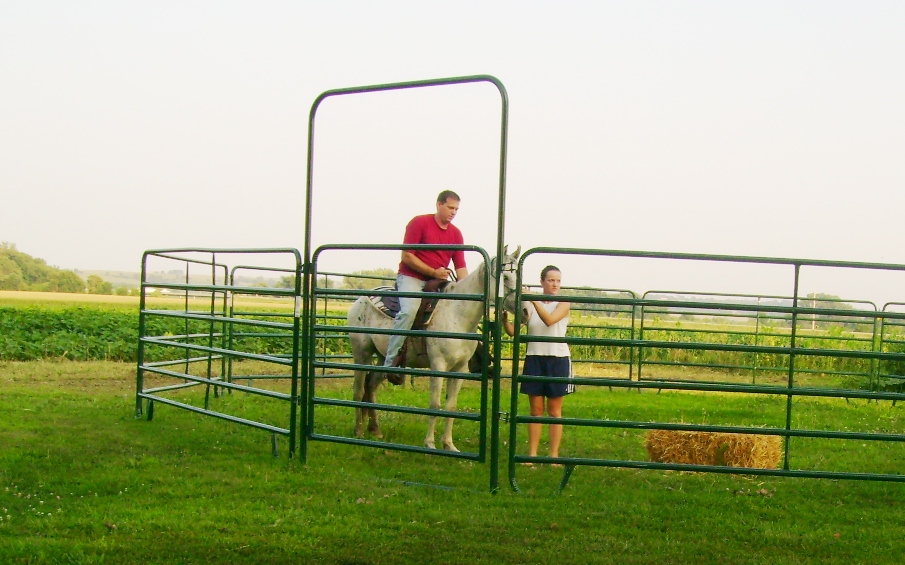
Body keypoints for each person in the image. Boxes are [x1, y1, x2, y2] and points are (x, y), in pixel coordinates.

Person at [380, 190, 468, 379]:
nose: (453, 212)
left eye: (457, 209)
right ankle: (391, 362)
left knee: (463, 312)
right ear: (439, 204)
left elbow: (461, 267)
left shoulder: (456, 234)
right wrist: (434, 272)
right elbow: (407, 256)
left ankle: (475, 359)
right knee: (409, 311)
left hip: (438, 281)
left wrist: (469, 291)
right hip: (411, 277)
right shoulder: (419, 223)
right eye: (450, 207)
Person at [502, 265, 572, 464]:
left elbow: (549, 320)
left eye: (558, 280)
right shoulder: (531, 306)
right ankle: (531, 455)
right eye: (551, 280)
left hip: (557, 359)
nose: (555, 284)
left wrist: (532, 299)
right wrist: (505, 321)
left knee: (555, 411)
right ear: (542, 282)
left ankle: (553, 456)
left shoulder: (563, 303)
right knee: (535, 410)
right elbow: (514, 331)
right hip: (534, 358)